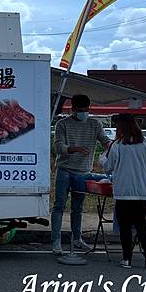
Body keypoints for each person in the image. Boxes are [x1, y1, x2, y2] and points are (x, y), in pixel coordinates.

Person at [102, 113, 146, 269]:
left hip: (123, 192)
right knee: (141, 225)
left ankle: (127, 259)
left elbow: (108, 166)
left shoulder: (117, 145)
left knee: (125, 227)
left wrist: (102, 157)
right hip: (141, 192)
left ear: (122, 127)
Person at [52, 94, 111, 255]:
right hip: (64, 170)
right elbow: (58, 147)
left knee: (77, 208)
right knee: (59, 206)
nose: (83, 113)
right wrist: (74, 149)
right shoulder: (62, 124)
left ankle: (77, 239)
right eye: (80, 110)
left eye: (86, 110)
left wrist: (111, 147)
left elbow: (105, 140)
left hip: (83, 172)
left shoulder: (94, 124)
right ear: (73, 110)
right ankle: (56, 241)